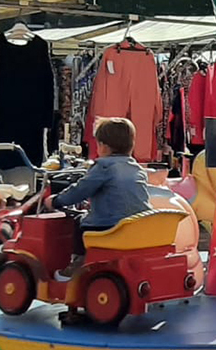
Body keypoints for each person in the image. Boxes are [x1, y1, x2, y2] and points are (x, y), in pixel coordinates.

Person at [48, 118, 151, 279]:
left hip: (110, 226)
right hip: (136, 224)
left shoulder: (103, 167)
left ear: (103, 147)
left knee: (80, 221)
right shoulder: (136, 168)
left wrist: (56, 200)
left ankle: (78, 263)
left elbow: (80, 190)